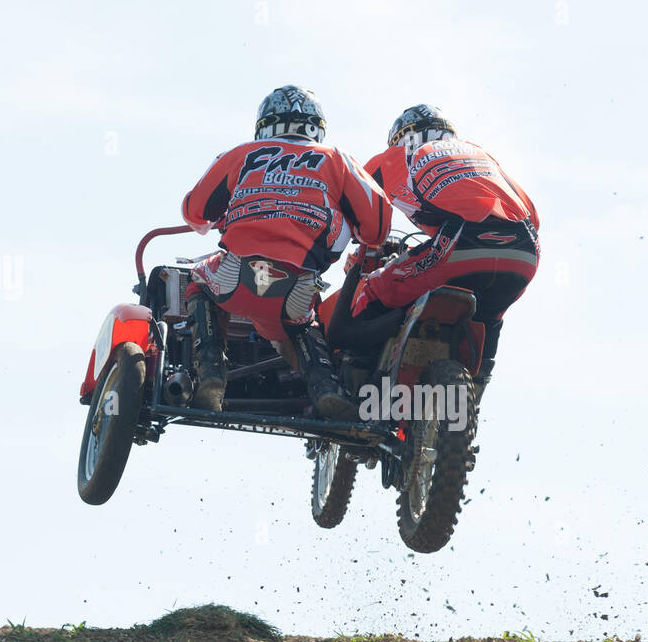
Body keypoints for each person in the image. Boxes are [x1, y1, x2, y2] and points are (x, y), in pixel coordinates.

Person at [180, 85, 392, 419]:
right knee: (304, 322)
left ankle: (211, 374)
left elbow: (195, 210)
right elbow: (378, 224)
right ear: (316, 126)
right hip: (296, 284)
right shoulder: (337, 159)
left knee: (196, 280)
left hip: (237, 274)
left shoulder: (241, 153)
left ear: (264, 123)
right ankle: (326, 389)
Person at [346, 104, 540, 400]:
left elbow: (355, 204)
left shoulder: (399, 154)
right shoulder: (480, 154)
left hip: (463, 242)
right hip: (525, 249)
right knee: (491, 318)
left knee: (374, 288)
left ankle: (356, 388)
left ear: (401, 137)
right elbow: (533, 218)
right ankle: (471, 402)